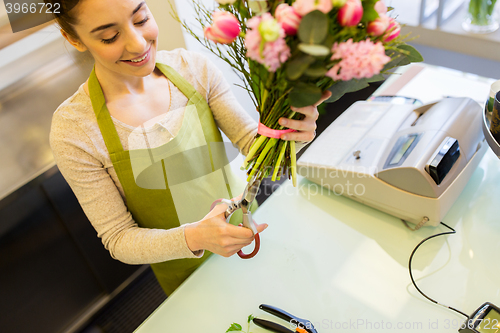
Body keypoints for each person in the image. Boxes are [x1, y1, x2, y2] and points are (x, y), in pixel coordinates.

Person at [48, 0, 327, 295]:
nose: (138, 43)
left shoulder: (193, 69)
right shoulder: (74, 130)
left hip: (253, 234)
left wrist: (293, 132)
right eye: (110, 37)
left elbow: (260, 155)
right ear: (73, 38)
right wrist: (195, 237)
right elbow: (119, 239)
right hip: (188, 279)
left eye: (141, 19)